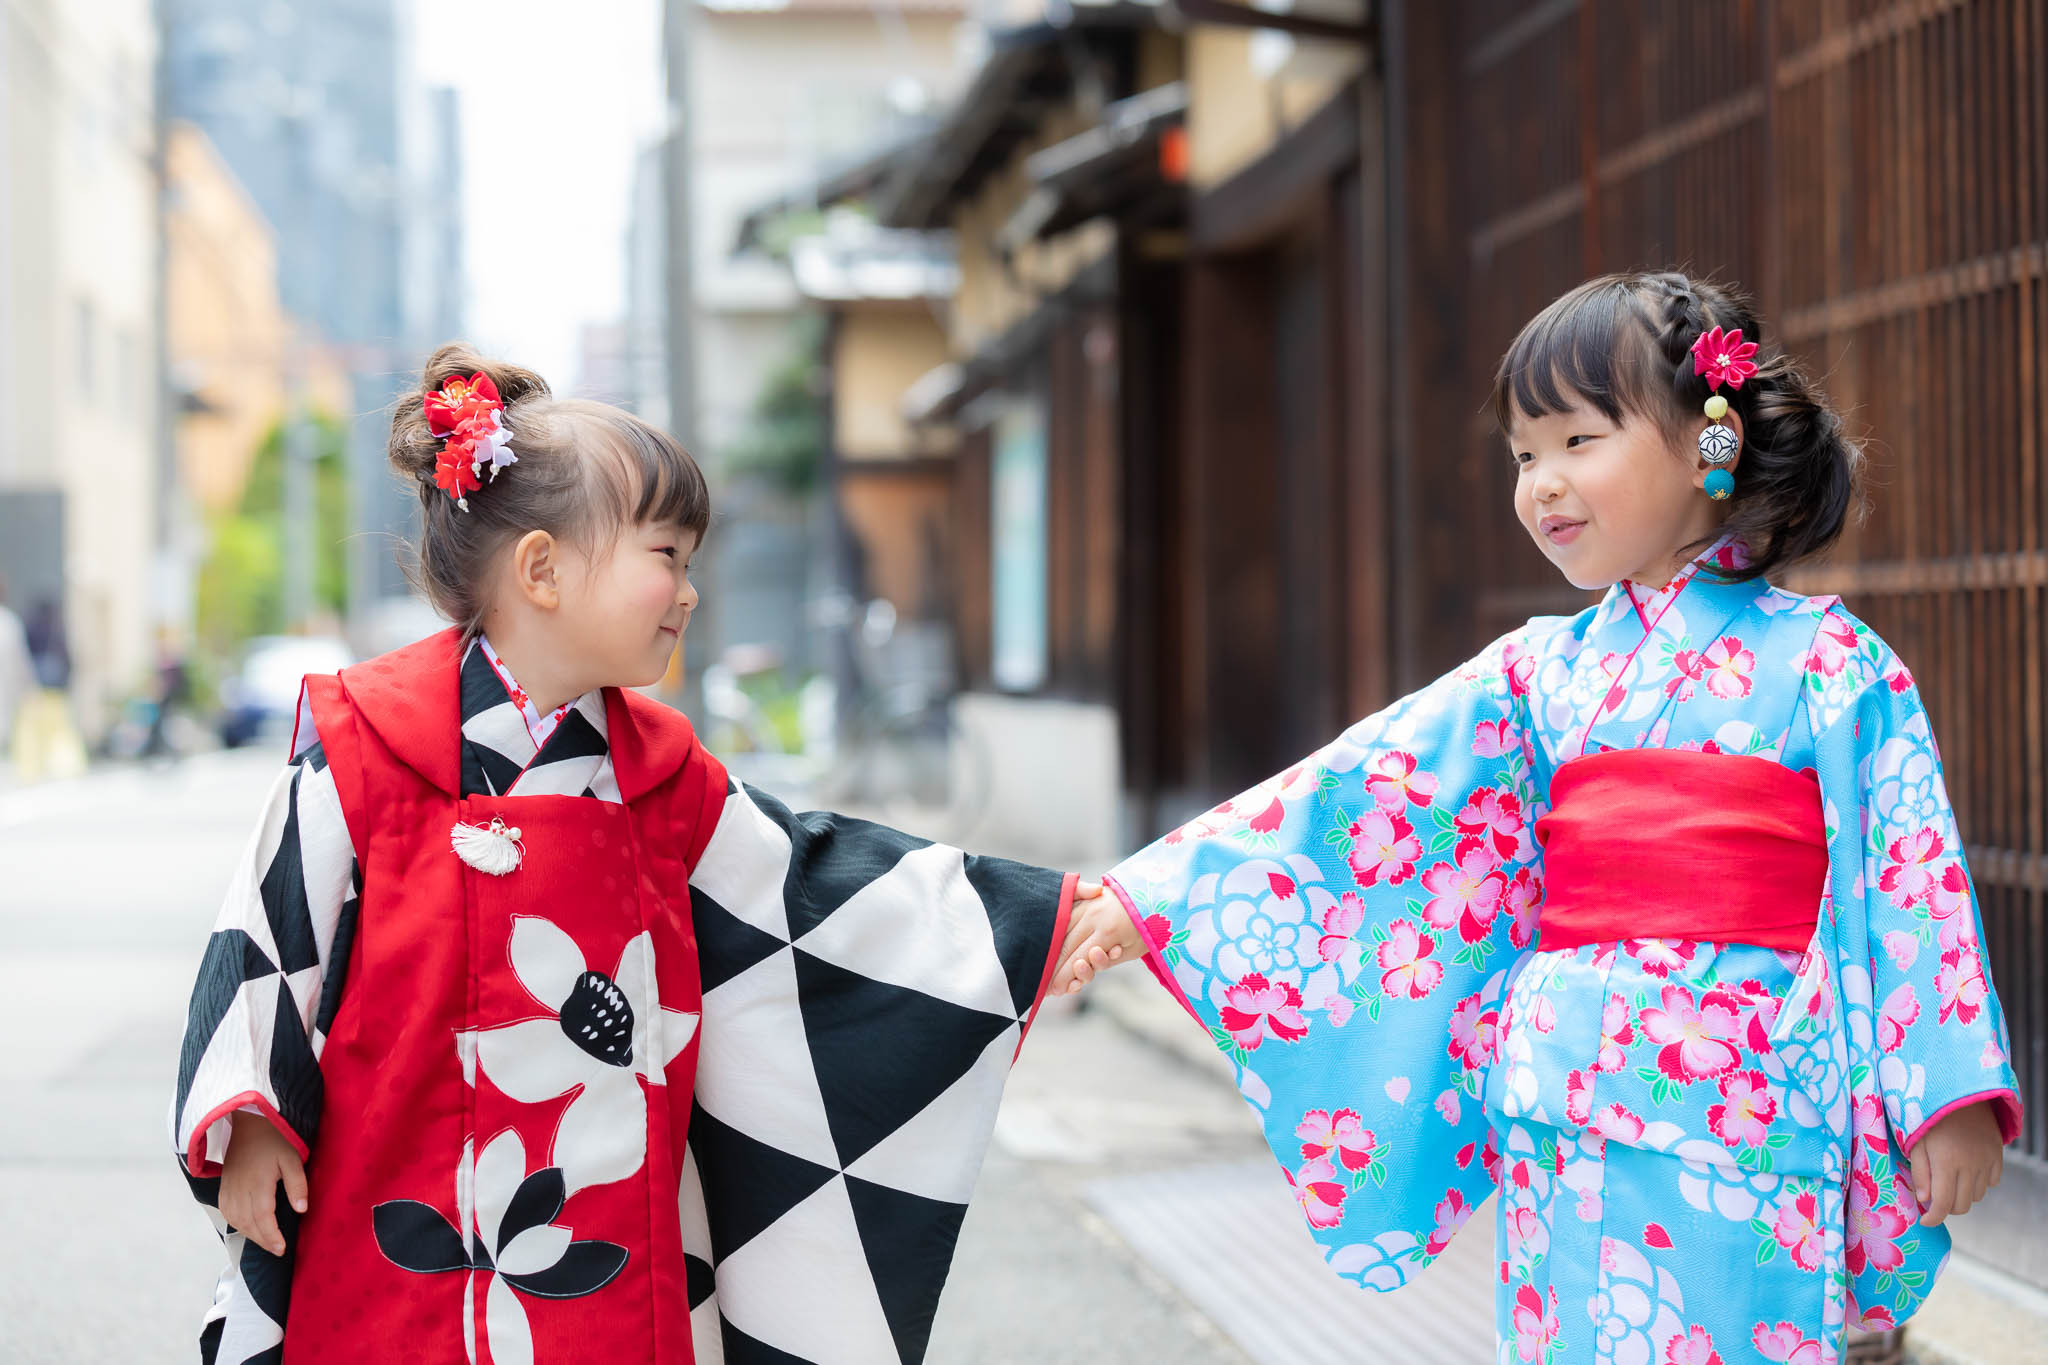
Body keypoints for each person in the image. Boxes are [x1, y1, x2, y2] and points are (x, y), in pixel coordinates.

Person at [1060, 272, 2020, 1362]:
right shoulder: (1536, 674)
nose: (1541, 485)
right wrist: (1160, 898)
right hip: (1560, 1097)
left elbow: (1905, 875)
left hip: (1751, 1101)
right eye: (1523, 455)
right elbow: (1366, 790)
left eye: (1577, 440)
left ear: (1709, 444)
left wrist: (1944, 1094)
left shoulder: (1828, 664)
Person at [172, 344, 1112, 1365]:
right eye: (664, 555)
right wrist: (254, 1115)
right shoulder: (365, 743)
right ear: (541, 570)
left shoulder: (662, 776)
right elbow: (267, 940)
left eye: (689, 561)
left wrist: (1027, 927)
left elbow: (811, 900)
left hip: (605, 1209)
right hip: (393, 1186)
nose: (688, 591)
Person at [12, 597, 87, 782]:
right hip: (56, 689)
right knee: (60, 731)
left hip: (36, 689)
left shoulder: (31, 628)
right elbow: (67, 658)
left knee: (31, 730)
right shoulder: (57, 629)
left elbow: (23, 658)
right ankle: (66, 767)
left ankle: (30, 770)